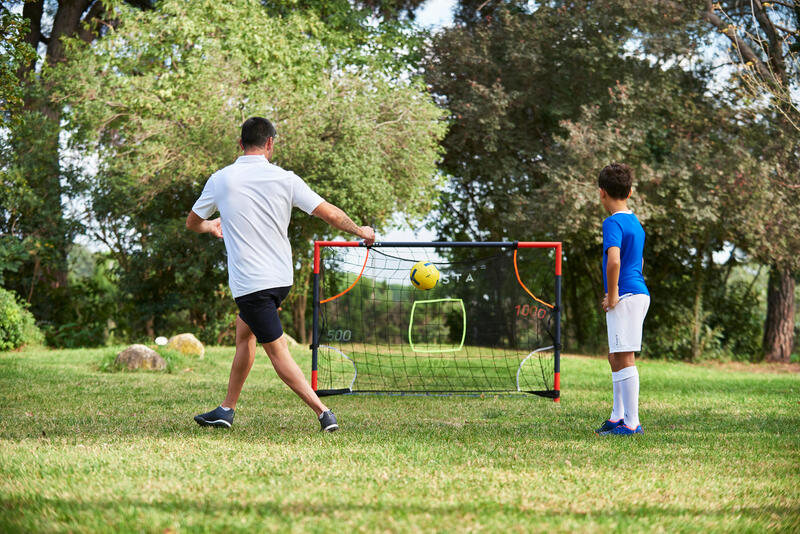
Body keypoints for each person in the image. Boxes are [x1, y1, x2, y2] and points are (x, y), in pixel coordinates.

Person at [186, 117, 375, 432]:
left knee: (277, 351)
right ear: (270, 143)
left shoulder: (221, 179)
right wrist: (360, 230)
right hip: (280, 280)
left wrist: (210, 225)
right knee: (244, 335)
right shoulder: (286, 179)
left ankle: (323, 412)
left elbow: (193, 222)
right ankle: (226, 409)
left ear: (240, 143)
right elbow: (329, 212)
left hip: (251, 285)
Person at [594, 163, 649, 436]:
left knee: (625, 356)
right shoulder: (635, 222)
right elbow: (639, 259)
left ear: (601, 193)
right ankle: (618, 416)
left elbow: (614, 259)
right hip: (636, 293)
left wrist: (614, 295)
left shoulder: (612, 222)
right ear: (629, 192)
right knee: (614, 355)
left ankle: (632, 423)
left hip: (625, 295)